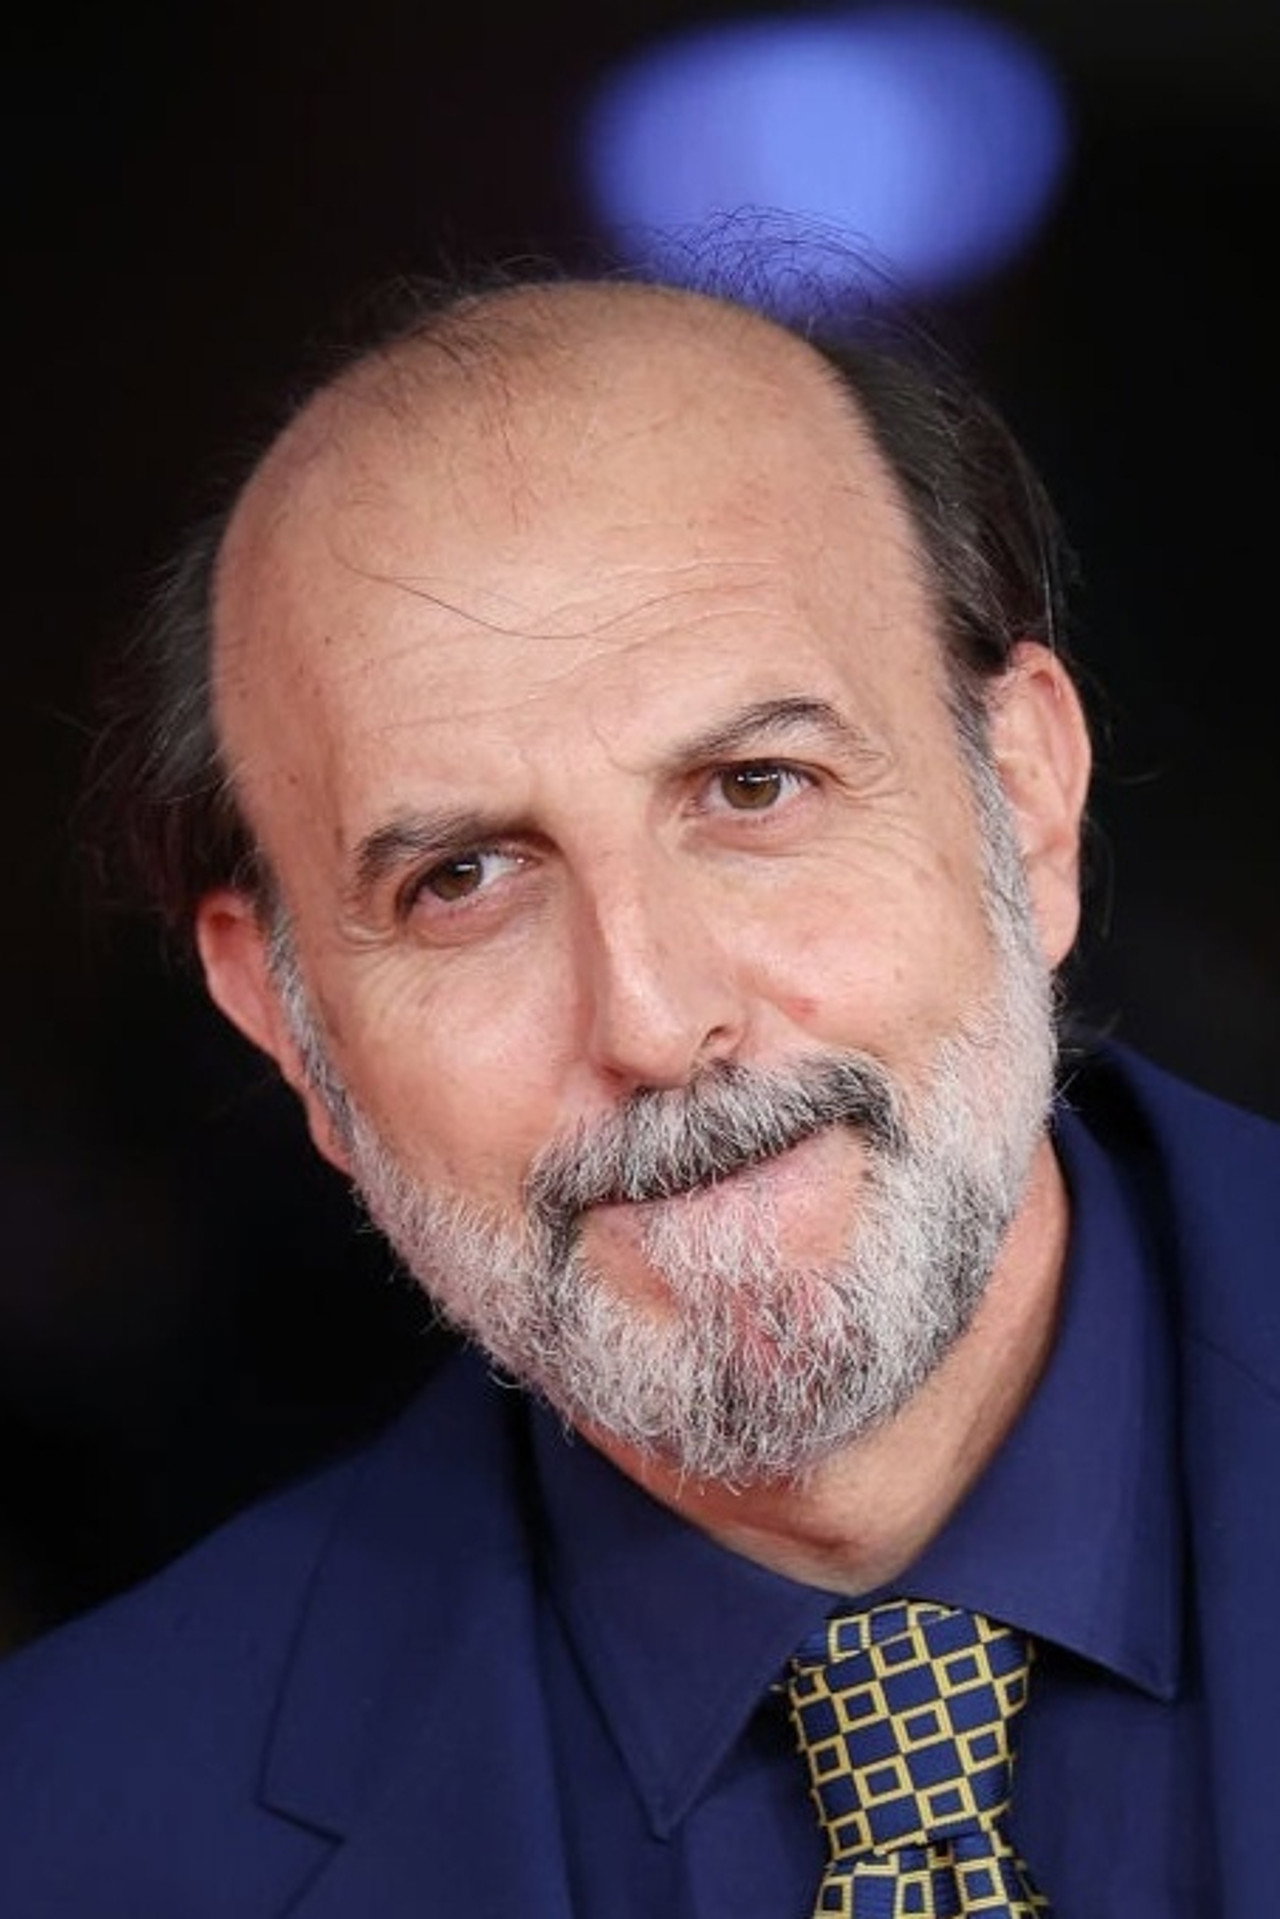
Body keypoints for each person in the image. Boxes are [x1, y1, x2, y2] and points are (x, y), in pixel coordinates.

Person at [1, 271, 1276, 1918]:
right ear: (286, 1024)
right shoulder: (67, 1840)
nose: (657, 1023)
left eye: (757, 788)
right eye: (463, 880)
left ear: (1025, 801)